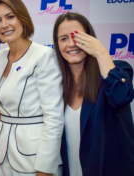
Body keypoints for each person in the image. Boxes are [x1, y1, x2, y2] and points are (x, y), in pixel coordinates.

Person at [0, 0, 64, 176]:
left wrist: (44, 169)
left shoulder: (43, 55)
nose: (4, 24)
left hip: (35, 158)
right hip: (3, 155)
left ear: (22, 18)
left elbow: (54, 118)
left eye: (10, 17)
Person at [53, 12, 134, 176]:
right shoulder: (56, 84)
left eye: (77, 37)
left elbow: (120, 97)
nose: (71, 44)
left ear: (91, 39)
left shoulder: (118, 69)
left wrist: (101, 53)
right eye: (63, 38)